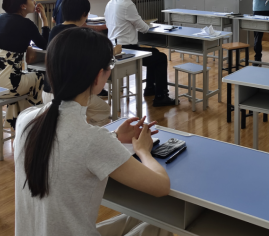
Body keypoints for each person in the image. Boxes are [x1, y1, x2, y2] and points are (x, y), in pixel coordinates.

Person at [14, 27, 172, 236]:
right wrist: (143, 150)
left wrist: (115, 137)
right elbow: (161, 187)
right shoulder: (92, 140)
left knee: (144, 217)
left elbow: (70, 147)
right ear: (98, 77)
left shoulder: (26, 119)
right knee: (163, 224)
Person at [43, 0, 120, 126]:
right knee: (103, 110)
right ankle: (88, 134)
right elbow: (98, 56)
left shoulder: (55, 30)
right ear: (85, 14)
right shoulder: (78, 35)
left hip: (48, 91)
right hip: (67, 96)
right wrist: (114, 51)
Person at [0, 0, 48, 128]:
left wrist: (26, 46)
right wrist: (44, 20)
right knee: (39, 77)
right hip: (6, 84)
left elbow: (11, 40)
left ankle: (16, 122)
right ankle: (35, 123)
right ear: (23, 6)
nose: (34, 2)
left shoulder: (0, 18)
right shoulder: (27, 24)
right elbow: (45, 45)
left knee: (22, 78)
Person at [105, 0, 175, 107]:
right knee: (161, 58)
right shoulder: (127, 4)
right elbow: (143, 28)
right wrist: (145, 24)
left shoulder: (111, 2)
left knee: (154, 52)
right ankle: (161, 96)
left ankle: (150, 88)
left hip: (113, 47)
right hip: (126, 50)